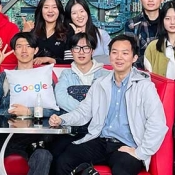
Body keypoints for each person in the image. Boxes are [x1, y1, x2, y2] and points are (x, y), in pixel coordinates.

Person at [49, 34, 167, 175]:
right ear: (109, 56)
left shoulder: (144, 86)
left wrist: (140, 152)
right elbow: (84, 112)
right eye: (114, 52)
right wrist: (63, 119)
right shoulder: (100, 83)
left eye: (125, 53)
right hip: (100, 141)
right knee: (64, 160)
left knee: (121, 170)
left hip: (127, 145)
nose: (119, 57)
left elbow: (158, 124)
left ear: (134, 58)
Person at [0, 32, 56, 175]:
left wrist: (30, 112)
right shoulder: (6, 76)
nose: (24, 50)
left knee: (44, 156)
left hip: (35, 134)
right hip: (7, 132)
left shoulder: (45, 77)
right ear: (14, 51)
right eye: (19, 46)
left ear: (36, 50)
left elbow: (55, 111)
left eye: (28, 46)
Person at [48, 32, 109, 173]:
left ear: (92, 50)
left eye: (86, 48)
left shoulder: (105, 75)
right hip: (71, 129)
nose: (81, 52)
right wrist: (87, 111)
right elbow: (61, 97)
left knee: (68, 156)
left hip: (96, 132)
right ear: (71, 51)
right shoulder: (66, 75)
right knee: (52, 153)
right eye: (76, 48)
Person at [23, 0, 73, 65]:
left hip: (59, 74)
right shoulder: (32, 31)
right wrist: (25, 33)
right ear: (41, 10)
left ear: (59, 10)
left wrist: (51, 60)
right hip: (34, 73)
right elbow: (23, 57)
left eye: (54, 7)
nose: (50, 11)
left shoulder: (67, 31)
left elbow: (71, 61)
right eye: (46, 7)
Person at [124, 0, 164, 69]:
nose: (150, 0)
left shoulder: (170, 22)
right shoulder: (132, 24)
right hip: (141, 73)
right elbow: (130, 54)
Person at [64, 0, 111, 64]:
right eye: (74, 13)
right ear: (69, 17)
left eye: (82, 11)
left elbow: (111, 60)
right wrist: (75, 38)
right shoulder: (65, 36)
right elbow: (67, 63)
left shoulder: (102, 35)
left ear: (87, 12)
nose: (79, 16)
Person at [144, 1, 175, 78]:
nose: (172, 22)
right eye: (167, 18)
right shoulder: (152, 47)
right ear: (162, 21)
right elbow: (149, 80)